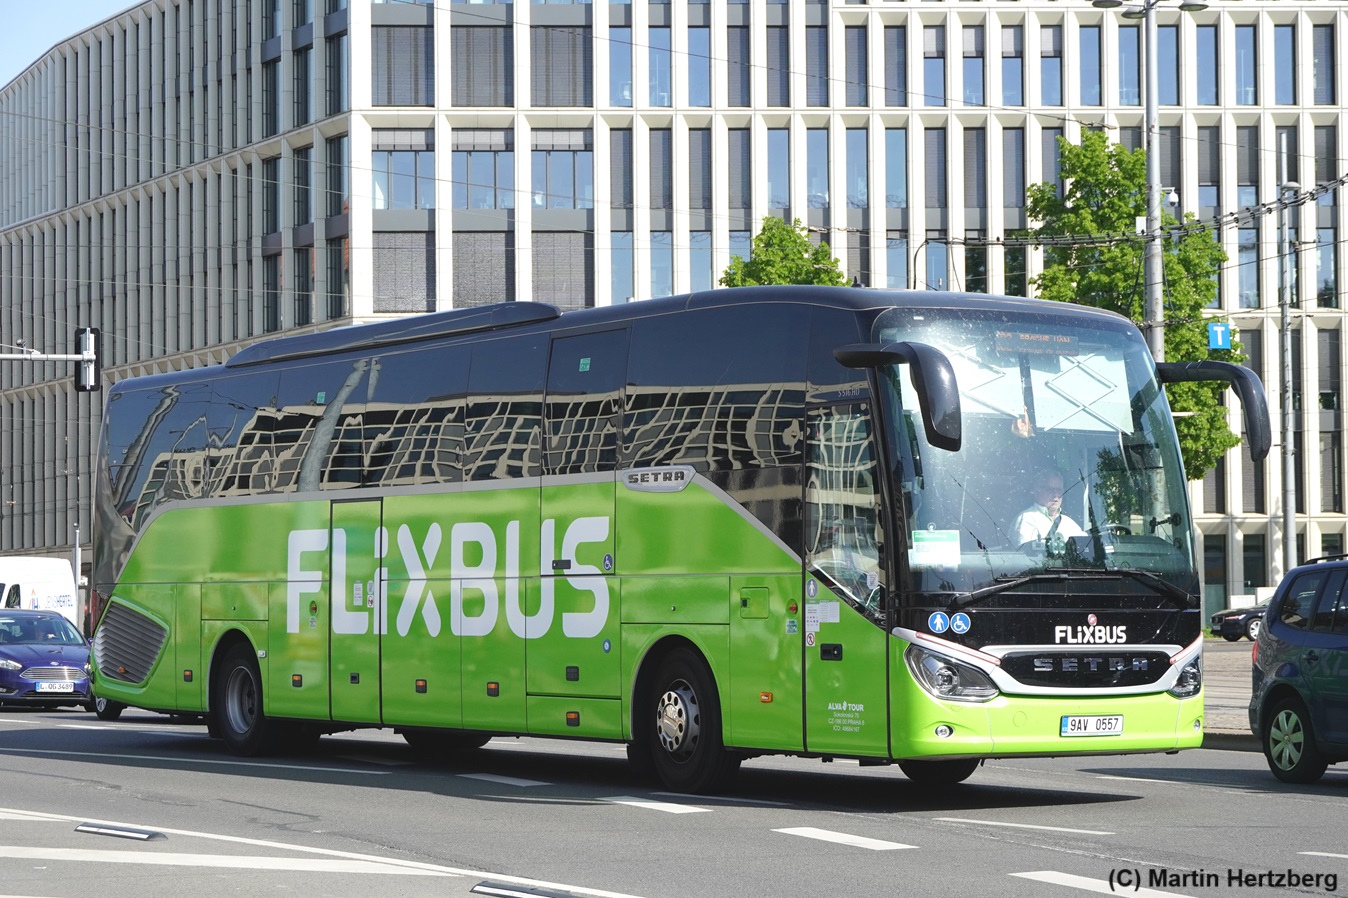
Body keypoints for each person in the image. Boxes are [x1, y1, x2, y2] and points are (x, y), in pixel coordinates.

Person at [1010, 469, 1086, 548]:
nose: (1055, 494)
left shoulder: (1069, 524)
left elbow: (1086, 548)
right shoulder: (1027, 519)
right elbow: (1028, 556)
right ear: (1037, 492)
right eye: (1050, 489)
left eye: (1059, 490)